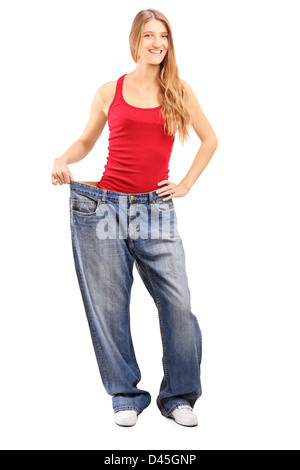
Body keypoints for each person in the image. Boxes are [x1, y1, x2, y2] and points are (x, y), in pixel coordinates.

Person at [51, 8, 218, 427]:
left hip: (154, 210)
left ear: (169, 42)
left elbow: (210, 140)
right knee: (109, 308)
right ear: (136, 42)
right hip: (104, 206)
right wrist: (61, 158)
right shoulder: (110, 90)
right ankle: (126, 395)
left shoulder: (179, 90)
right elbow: (86, 141)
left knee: (178, 305)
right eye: (148, 35)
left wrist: (185, 184)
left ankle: (179, 395)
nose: (156, 42)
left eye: (163, 36)